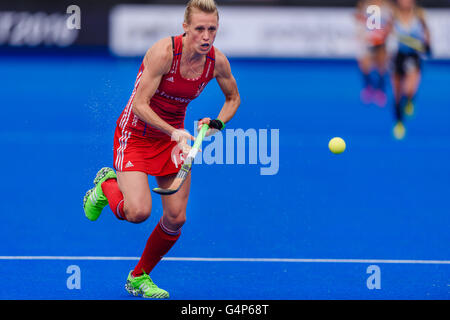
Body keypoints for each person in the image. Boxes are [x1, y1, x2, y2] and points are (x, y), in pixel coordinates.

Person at [82, 0, 240, 298]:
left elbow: (233, 98)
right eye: (199, 29)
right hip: (136, 133)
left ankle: (138, 277)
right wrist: (173, 132)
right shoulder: (164, 53)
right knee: (138, 212)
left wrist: (217, 122)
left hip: (172, 138)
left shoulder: (217, 62)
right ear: (185, 27)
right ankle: (107, 186)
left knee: (176, 218)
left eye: (212, 29)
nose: (206, 37)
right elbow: (140, 105)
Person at [391, 0, 431, 139]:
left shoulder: (419, 15)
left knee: (409, 89)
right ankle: (399, 123)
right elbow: (385, 33)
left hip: (413, 56)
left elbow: (426, 34)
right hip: (398, 56)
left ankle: (409, 100)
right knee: (397, 93)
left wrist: (427, 45)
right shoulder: (393, 15)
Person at [355, 0, 394, 107]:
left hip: (382, 42)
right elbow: (359, 20)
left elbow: (392, 23)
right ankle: (368, 86)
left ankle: (380, 89)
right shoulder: (364, 5)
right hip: (368, 40)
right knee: (365, 65)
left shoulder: (388, 7)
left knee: (382, 65)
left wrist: (386, 30)